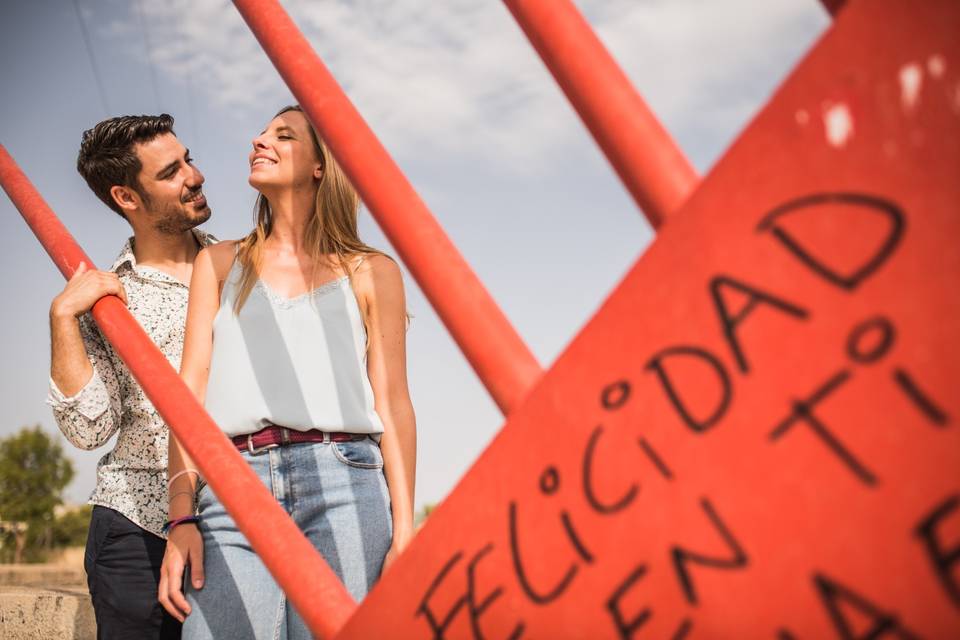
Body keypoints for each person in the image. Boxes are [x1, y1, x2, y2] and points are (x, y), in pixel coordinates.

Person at [158, 105, 416, 639]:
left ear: (320, 165)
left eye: (283, 135)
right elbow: (190, 396)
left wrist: (407, 532)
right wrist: (181, 517)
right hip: (234, 486)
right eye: (260, 132)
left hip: (347, 484)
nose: (258, 140)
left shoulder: (372, 272)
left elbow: (393, 403)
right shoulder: (220, 264)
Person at [47, 114, 214, 639]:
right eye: (172, 171)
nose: (195, 175)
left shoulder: (243, 270)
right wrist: (64, 321)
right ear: (127, 197)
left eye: (189, 158)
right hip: (139, 529)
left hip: (238, 520)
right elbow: (89, 431)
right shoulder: (107, 302)